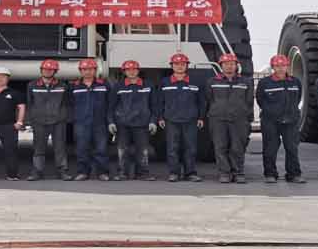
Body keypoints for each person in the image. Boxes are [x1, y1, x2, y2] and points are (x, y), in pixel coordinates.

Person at [153, 52, 205, 182]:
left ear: (187, 66)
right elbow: (159, 101)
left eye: (183, 64)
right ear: (172, 66)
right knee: (172, 148)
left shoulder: (195, 82)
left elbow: (201, 101)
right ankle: (174, 173)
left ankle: (190, 173)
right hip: (171, 120)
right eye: (176, 64)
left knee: (190, 148)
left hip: (191, 120)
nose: (180, 66)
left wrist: (201, 117)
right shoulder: (165, 82)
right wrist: (160, 117)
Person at [206, 53, 255, 184]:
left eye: (232, 64)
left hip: (239, 119)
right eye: (226, 64)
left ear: (236, 66)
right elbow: (209, 99)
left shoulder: (245, 82)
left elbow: (249, 101)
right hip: (218, 119)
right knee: (220, 147)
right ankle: (224, 173)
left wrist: (247, 117)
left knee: (237, 147)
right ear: (221, 66)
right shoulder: (212, 82)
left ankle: (238, 173)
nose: (229, 66)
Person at [257, 54, 305, 184]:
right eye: (277, 66)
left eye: (283, 65)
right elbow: (260, 100)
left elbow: (298, 98)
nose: (280, 68)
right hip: (270, 121)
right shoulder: (264, 83)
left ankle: (294, 174)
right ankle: (270, 174)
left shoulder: (295, 82)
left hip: (291, 120)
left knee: (292, 148)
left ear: (287, 66)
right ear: (273, 67)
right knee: (270, 148)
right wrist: (271, 111)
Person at [25, 59, 72, 181]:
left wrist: (63, 117)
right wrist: (32, 119)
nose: (47, 71)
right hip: (39, 121)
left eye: (50, 70)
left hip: (58, 122)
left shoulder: (62, 86)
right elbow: (30, 103)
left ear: (55, 71)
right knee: (38, 148)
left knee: (60, 147)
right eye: (45, 69)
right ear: (41, 70)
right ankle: (37, 171)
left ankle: (62, 171)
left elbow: (66, 103)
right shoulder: (32, 85)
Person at [108, 60, 155, 181]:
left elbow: (154, 105)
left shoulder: (148, 85)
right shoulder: (118, 86)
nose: (131, 72)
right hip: (122, 123)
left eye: (134, 69)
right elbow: (111, 106)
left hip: (142, 123)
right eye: (128, 70)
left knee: (142, 151)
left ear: (138, 70)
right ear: (124, 72)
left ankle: (143, 173)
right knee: (122, 150)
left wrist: (153, 121)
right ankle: (122, 173)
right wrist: (111, 122)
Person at [70, 59, 111, 181]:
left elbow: (110, 103)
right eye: (84, 69)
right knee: (82, 148)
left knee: (101, 148)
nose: (87, 72)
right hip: (81, 122)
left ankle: (102, 172)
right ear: (80, 71)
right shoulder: (74, 86)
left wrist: (109, 120)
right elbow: (69, 104)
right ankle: (83, 172)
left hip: (100, 122)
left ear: (95, 70)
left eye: (90, 69)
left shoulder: (104, 85)